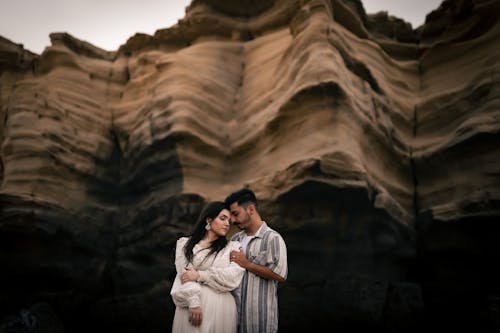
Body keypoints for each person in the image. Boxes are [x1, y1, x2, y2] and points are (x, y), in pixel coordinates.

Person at [170, 201, 245, 333]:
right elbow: (184, 276)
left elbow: (233, 277)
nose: (227, 223)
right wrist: (194, 302)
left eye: (229, 221)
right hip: (191, 307)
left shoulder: (233, 247)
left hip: (221, 308)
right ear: (209, 220)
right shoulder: (185, 244)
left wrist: (200, 275)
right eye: (222, 218)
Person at [225, 188, 288, 333]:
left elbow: (280, 274)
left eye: (235, 214)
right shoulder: (235, 240)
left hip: (260, 320)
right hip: (233, 318)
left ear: (251, 209)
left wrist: (246, 264)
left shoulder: (272, 238)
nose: (232, 220)